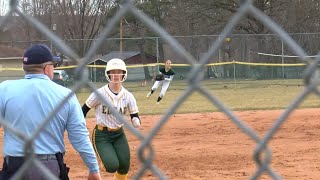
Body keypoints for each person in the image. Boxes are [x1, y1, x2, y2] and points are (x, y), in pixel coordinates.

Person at [0, 44, 101, 180]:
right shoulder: (66, 95)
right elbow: (79, 137)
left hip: (15, 166)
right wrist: (94, 169)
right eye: (53, 65)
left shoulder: (4, 89)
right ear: (46, 68)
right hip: (49, 167)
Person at [82, 58, 141, 180]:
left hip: (119, 134)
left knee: (124, 165)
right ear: (108, 74)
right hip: (102, 135)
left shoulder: (128, 96)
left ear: (124, 74)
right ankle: (96, 168)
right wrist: (79, 123)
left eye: (119, 72)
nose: (116, 75)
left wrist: (136, 120)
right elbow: (83, 110)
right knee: (112, 166)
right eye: (113, 72)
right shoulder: (99, 93)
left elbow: (134, 115)